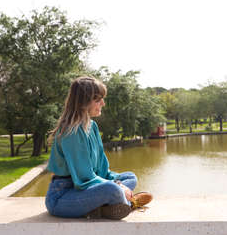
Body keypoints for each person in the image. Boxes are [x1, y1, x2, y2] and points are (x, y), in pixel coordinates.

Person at [45, 76, 152, 220]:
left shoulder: (92, 126)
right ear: (83, 102)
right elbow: (84, 179)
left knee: (130, 177)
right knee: (112, 189)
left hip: (87, 189)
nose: (103, 103)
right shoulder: (71, 132)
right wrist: (119, 186)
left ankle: (106, 206)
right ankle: (127, 202)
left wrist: (119, 182)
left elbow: (102, 170)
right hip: (63, 196)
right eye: (97, 99)